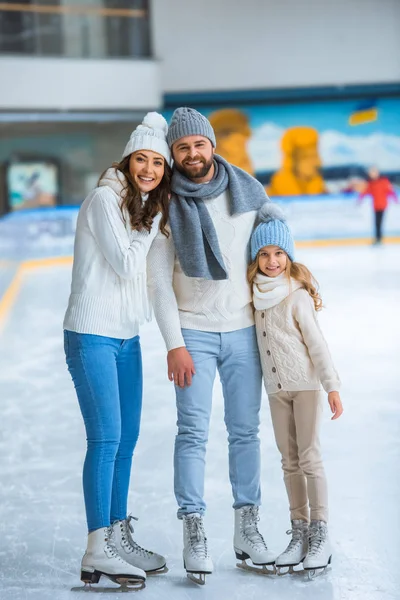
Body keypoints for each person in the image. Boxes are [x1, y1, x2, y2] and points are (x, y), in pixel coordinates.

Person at [147, 107, 275, 584]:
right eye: (183, 148)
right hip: (193, 334)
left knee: (245, 432)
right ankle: (194, 529)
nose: (193, 154)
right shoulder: (165, 207)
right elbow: (159, 284)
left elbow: (271, 245)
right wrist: (174, 344)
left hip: (244, 331)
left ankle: (248, 529)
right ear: (174, 155)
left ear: (212, 146)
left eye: (199, 144)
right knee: (193, 434)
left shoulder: (247, 194)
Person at [63, 112, 172, 589]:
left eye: (157, 163)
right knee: (105, 439)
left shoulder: (141, 203)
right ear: (127, 159)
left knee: (126, 440)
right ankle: (96, 547)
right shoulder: (105, 199)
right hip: (92, 335)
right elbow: (128, 264)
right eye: (141, 159)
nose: (148, 169)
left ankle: (118, 534)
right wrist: (154, 219)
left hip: (128, 336)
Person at [247, 203, 343, 576]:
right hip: (275, 390)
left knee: (309, 457)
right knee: (288, 461)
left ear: (289, 255)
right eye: (265, 254)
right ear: (256, 259)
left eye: (279, 254)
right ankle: (299, 532)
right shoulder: (254, 295)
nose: (272, 261)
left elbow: (317, 345)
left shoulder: (296, 294)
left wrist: (331, 386)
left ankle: (320, 532)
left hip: (304, 385)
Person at [358, 166, 398, 245]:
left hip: (382, 205)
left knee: (379, 222)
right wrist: (360, 198)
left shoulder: (383, 181)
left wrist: (395, 199)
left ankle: (379, 238)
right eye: (371, 173)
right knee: (376, 223)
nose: (372, 174)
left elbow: (390, 190)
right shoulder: (370, 183)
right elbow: (366, 191)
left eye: (373, 173)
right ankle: (378, 238)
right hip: (375, 205)